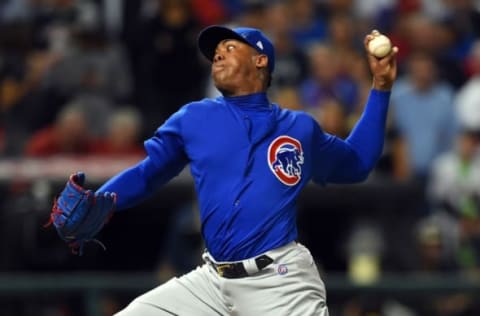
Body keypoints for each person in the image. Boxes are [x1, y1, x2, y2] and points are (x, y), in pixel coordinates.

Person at [53, 25, 397, 315]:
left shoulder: (299, 129)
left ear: (260, 60)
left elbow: (358, 163)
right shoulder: (194, 118)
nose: (217, 54)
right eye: (215, 51)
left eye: (229, 47)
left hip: (279, 280)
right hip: (211, 282)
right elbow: (148, 173)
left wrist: (380, 88)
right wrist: (104, 199)